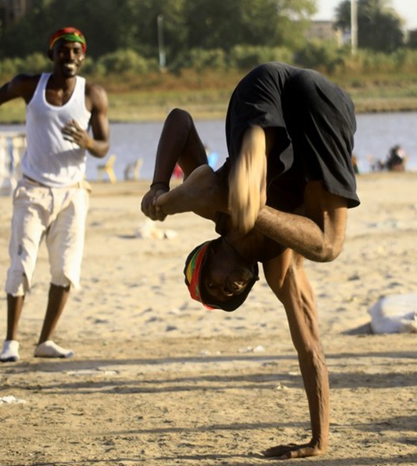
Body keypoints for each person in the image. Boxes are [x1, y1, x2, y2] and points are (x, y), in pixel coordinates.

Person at [141, 62, 359, 459]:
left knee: (226, 187)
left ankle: (233, 171)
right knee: (325, 244)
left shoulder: (216, 218)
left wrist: (158, 185)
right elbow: (310, 348)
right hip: (325, 104)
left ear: (211, 252)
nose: (227, 290)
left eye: (214, 284)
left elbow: (180, 120)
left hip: (264, 93)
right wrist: (318, 441)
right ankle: (244, 184)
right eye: (228, 297)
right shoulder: (282, 268)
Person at [0, 27, 110, 362]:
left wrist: (88, 142)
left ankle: (45, 341)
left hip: (73, 195)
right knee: (21, 264)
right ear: (51, 54)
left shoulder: (93, 95)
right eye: (62, 50)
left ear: (83, 56)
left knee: (66, 269)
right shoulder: (31, 85)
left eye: (75, 51)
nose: (69, 57)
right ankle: (10, 343)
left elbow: (104, 146)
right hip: (32, 191)